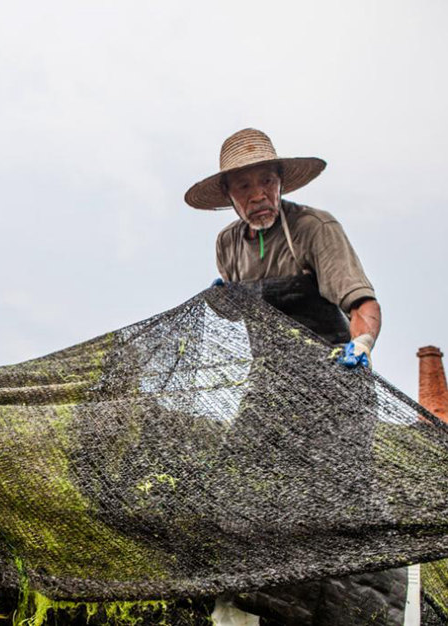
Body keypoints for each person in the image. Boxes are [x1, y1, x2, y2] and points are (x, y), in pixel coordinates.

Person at [185, 129, 415, 625]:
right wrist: (224, 301)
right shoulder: (227, 245)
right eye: (244, 187)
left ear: (281, 183)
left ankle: (374, 607)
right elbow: (241, 313)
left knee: (339, 493)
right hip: (273, 385)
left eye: (266, 182)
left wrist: (361, 344)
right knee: (235, 478)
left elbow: (362, 303)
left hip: (334, 380)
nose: (258, 195)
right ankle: (257, 600)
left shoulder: (315, 228)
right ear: (228, 195)